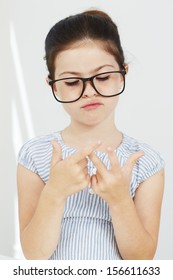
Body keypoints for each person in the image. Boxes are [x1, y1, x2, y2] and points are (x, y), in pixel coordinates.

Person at [17, 9, 164, 260]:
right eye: (72, 82)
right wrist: (55, 192)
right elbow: (34, 255)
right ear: (53, 85)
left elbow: (141, 261)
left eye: (103, 77)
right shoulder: (34, 155)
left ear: (122, 75)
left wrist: (119, 200)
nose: (89, 91)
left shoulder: (144, 162)